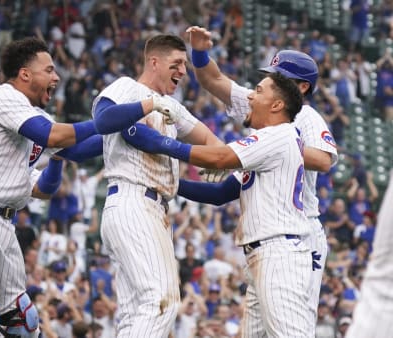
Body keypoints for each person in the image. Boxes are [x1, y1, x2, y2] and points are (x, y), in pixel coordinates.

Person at [0, 37, 178, 337]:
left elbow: (76, 149)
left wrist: (126, 131)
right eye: (48, 70)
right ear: (25, 74)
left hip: (2, 223)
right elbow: (52, 135)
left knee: (22, 324)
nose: (56, 77)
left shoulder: (32, 113)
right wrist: (141, 106)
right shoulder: (4, 97)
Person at [123, 71, 313, 337]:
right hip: (266, 254)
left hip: (278, 253)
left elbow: (220, 157)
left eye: (258, 91)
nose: (249, 95)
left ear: (277, 105)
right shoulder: (271, 146)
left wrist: (160, 143)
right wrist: (169, 183)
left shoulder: (278, 135)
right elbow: (220, 193)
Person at [186, 26, 338, 335]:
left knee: (295, 328)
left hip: (299, 232)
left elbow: (323, 159)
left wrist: (272, 146)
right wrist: (200, 52)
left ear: (302, 88)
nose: (269, 82)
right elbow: (213, 80)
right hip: (267, 233)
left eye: (280, 77)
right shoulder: (264, 100)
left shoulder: (304, 117)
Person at [92, 34, 224, 337]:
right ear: (154, 61)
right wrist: (150, 102)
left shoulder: (170, 106)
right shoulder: (129, 87)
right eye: (176, 63)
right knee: (160, 302)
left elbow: (208, 139)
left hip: (153, 208)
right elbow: (103, 120)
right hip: (132, 199)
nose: (182, 71)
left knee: (134, 311)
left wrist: (221, 159)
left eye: (185, 65)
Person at [346, 169, 393, 337]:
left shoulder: (371, 226)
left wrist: (370, 181)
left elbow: (373, 195)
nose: (366, 218)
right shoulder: (360, 228)